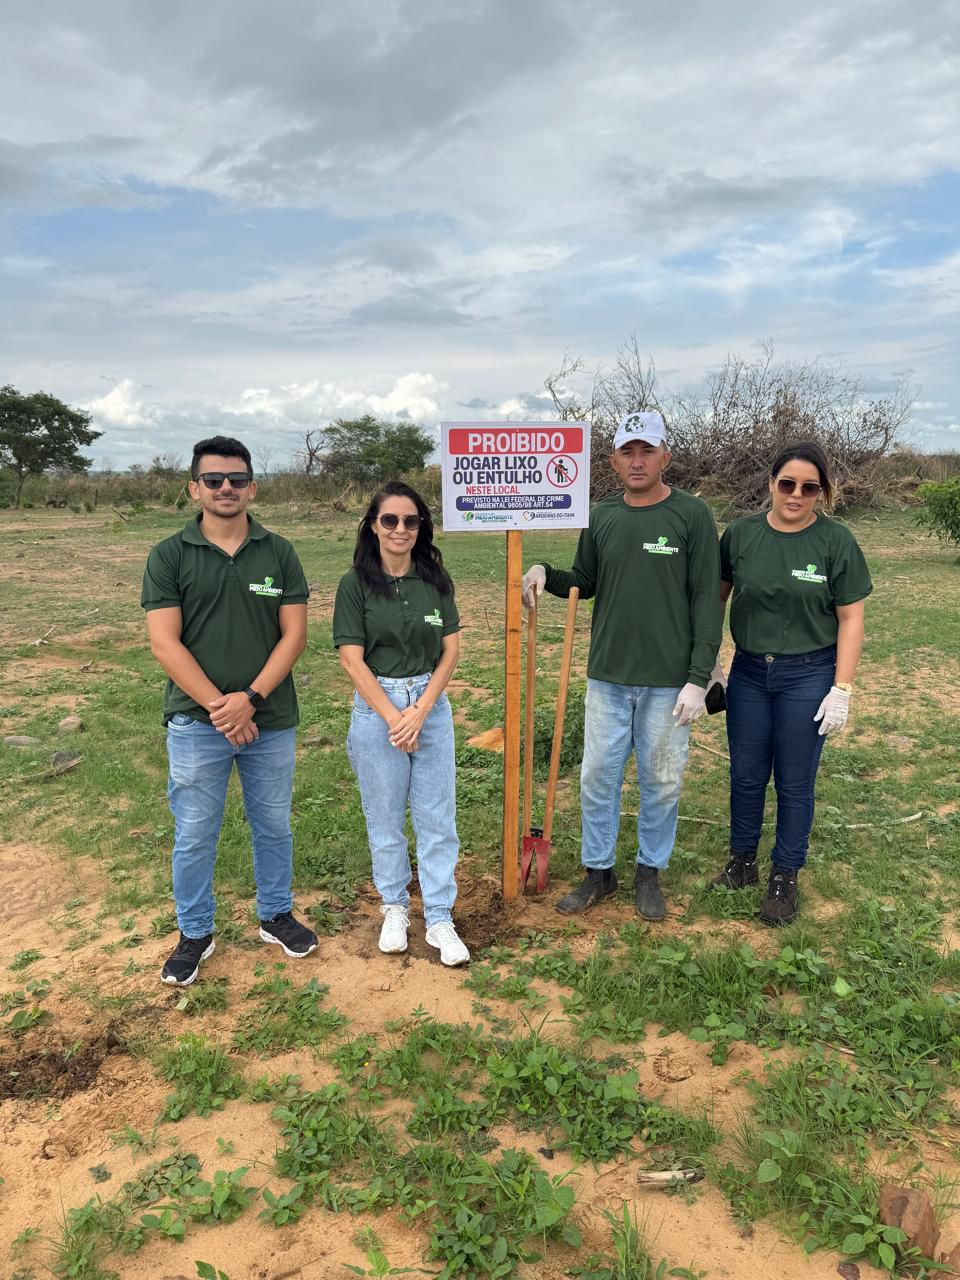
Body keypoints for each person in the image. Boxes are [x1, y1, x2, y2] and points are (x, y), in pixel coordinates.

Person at [522, 411, 721, 920]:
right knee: (597, 778)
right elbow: (585, 579)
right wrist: (545, 572)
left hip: (669, 680)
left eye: (646, 451)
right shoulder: (602, 515)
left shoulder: (691, 515)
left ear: (664, 457)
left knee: (662, 780)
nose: (637, 461)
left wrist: (698, 678)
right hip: (608, 675)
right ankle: (599, 873)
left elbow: (706, 598)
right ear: (613, 460)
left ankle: (649, 873)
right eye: (627, 452)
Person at [141, 436, 317, 986]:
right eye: (213, 479)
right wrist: (222, 708)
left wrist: (252, 700)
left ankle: (276, 914)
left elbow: (294, 635)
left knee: (273, 825)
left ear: (252, 488)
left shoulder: (279, 552)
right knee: (195, 832)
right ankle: (195, 932)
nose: (225, 488)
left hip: (270, 718)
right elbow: (165, 642)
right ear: (193, 488)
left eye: (236, 480)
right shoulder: (170, 554)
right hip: (198, 723)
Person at [709, 441, 872, 925]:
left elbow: (851, 619)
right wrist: (710, 662)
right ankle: (742, 862)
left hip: (808, 673)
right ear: (771, 484)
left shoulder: (835, 542)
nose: (796, 495)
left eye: (809, 488)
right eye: (787, 484)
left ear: (822, 493)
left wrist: (842, 688)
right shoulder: (740, 535)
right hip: (749, 672)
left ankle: (784, 875)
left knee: (795, 780)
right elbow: (715, 599)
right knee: (746, 774)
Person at [333, 480, 470, 967]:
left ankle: (439, 916)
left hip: (428, 704)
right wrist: (396, 718)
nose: (400, 529)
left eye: (410, 521)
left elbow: (450, 649)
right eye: (389, 519)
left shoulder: (435, 580)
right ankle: (394, 906)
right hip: (379, 708)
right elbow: (351, 659)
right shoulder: (355, 584)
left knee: (437, 817)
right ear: (373, 525)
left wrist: (422, 710)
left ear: (421, 527)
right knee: (386, 817)